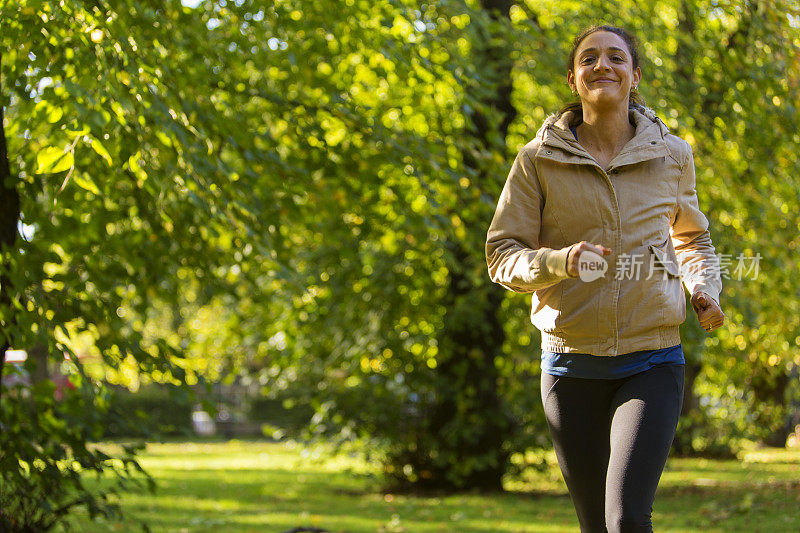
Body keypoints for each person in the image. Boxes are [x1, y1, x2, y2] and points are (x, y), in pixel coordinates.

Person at [485, 25, 725, 533]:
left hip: (653, 358)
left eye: (616, 57)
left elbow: (692, 241)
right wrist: (561, 261)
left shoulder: (672, 155)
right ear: (572, 79)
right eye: (589, 58)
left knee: (626, 520)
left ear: (634, 76)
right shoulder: (537, 160)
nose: (602, 65)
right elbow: (503, 254)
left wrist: (703, 287)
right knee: (595, 524)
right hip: (570, 365)